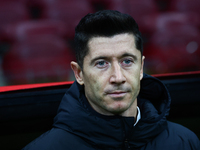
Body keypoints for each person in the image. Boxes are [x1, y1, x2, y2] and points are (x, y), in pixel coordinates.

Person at [22, 10, 200, 150]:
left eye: (127, 61)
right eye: (101, 63)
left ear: (141, 68)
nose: (118, 77)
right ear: (78, 74)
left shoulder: (185, 142)